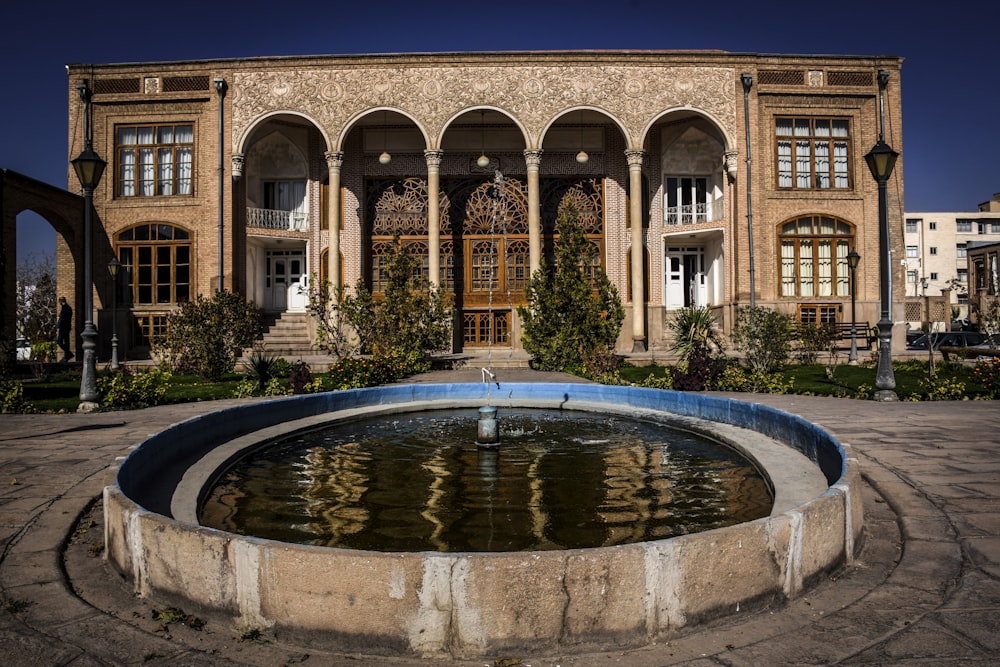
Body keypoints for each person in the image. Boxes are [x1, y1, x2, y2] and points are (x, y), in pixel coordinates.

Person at [56, 296, 73, 362]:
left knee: (60, 342)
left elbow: (63, 319)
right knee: (66, 342)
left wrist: (59, 325)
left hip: (64, 327)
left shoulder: (66, 308)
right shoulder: (67, 308)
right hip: (66, 327)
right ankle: (67, 355)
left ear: (61, 301)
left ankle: (68, 353)